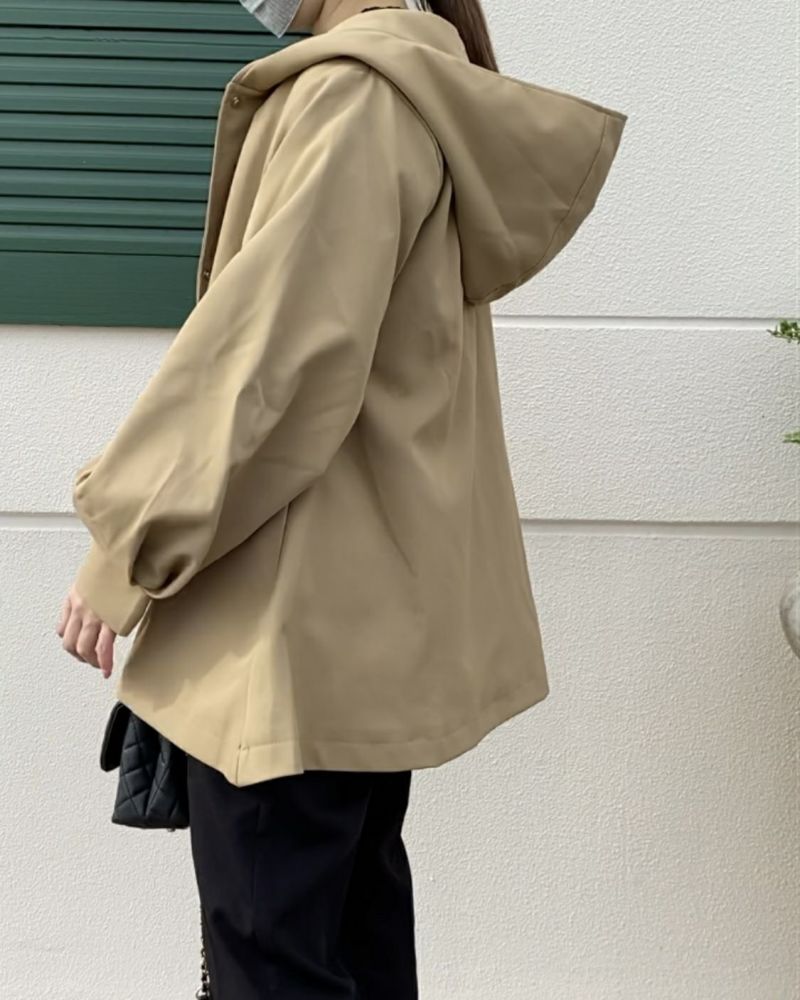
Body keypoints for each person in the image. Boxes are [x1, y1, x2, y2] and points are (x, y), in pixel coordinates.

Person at [57, 1, 628, 996]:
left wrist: (128, 548)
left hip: (286, 637)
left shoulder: (354, 97)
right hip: (348, 639)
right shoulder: (416, 93)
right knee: (350, 950)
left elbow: (270, 361)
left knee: (274, 964)